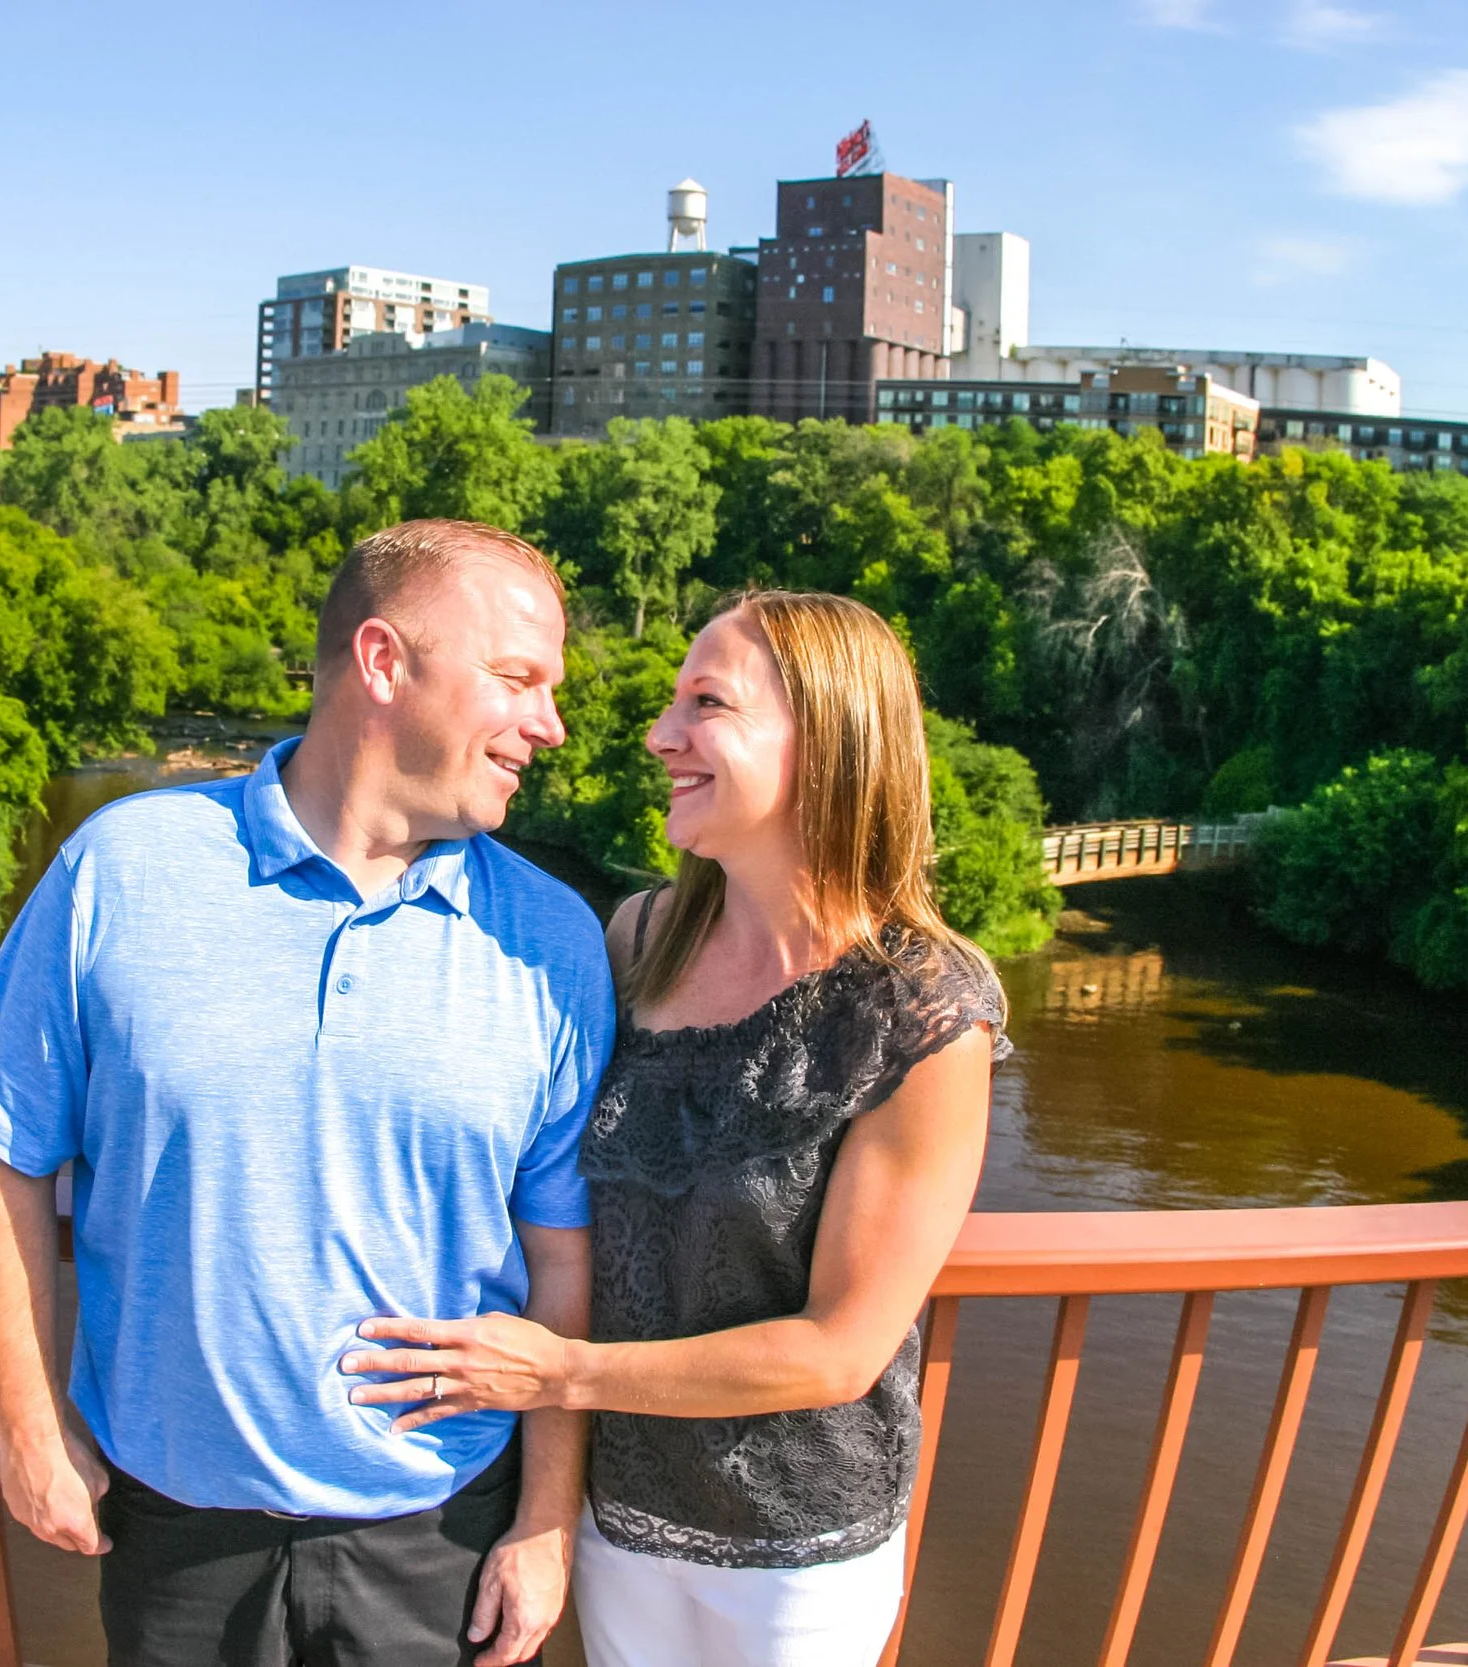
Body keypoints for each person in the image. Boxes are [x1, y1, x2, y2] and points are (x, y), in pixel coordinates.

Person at [0, 519, 614, 1667]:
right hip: (170, 1532)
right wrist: (24, 1421)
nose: (549, 725)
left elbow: (561, 1257)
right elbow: (7, 1155)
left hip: (443, 1530)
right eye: (518, 680)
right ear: (382, 662)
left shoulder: (554, 939)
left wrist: (546, 1520)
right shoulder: (120, 867)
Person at [341, 590, 1003, 1667]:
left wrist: (556, 1374)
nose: (659, 735)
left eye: (707, 703)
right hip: (618, 1512)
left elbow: (838, 1348)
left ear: (826, 739)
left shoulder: (917, 1008)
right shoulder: (638, 937)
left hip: (795, 1548)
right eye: (671, 702)